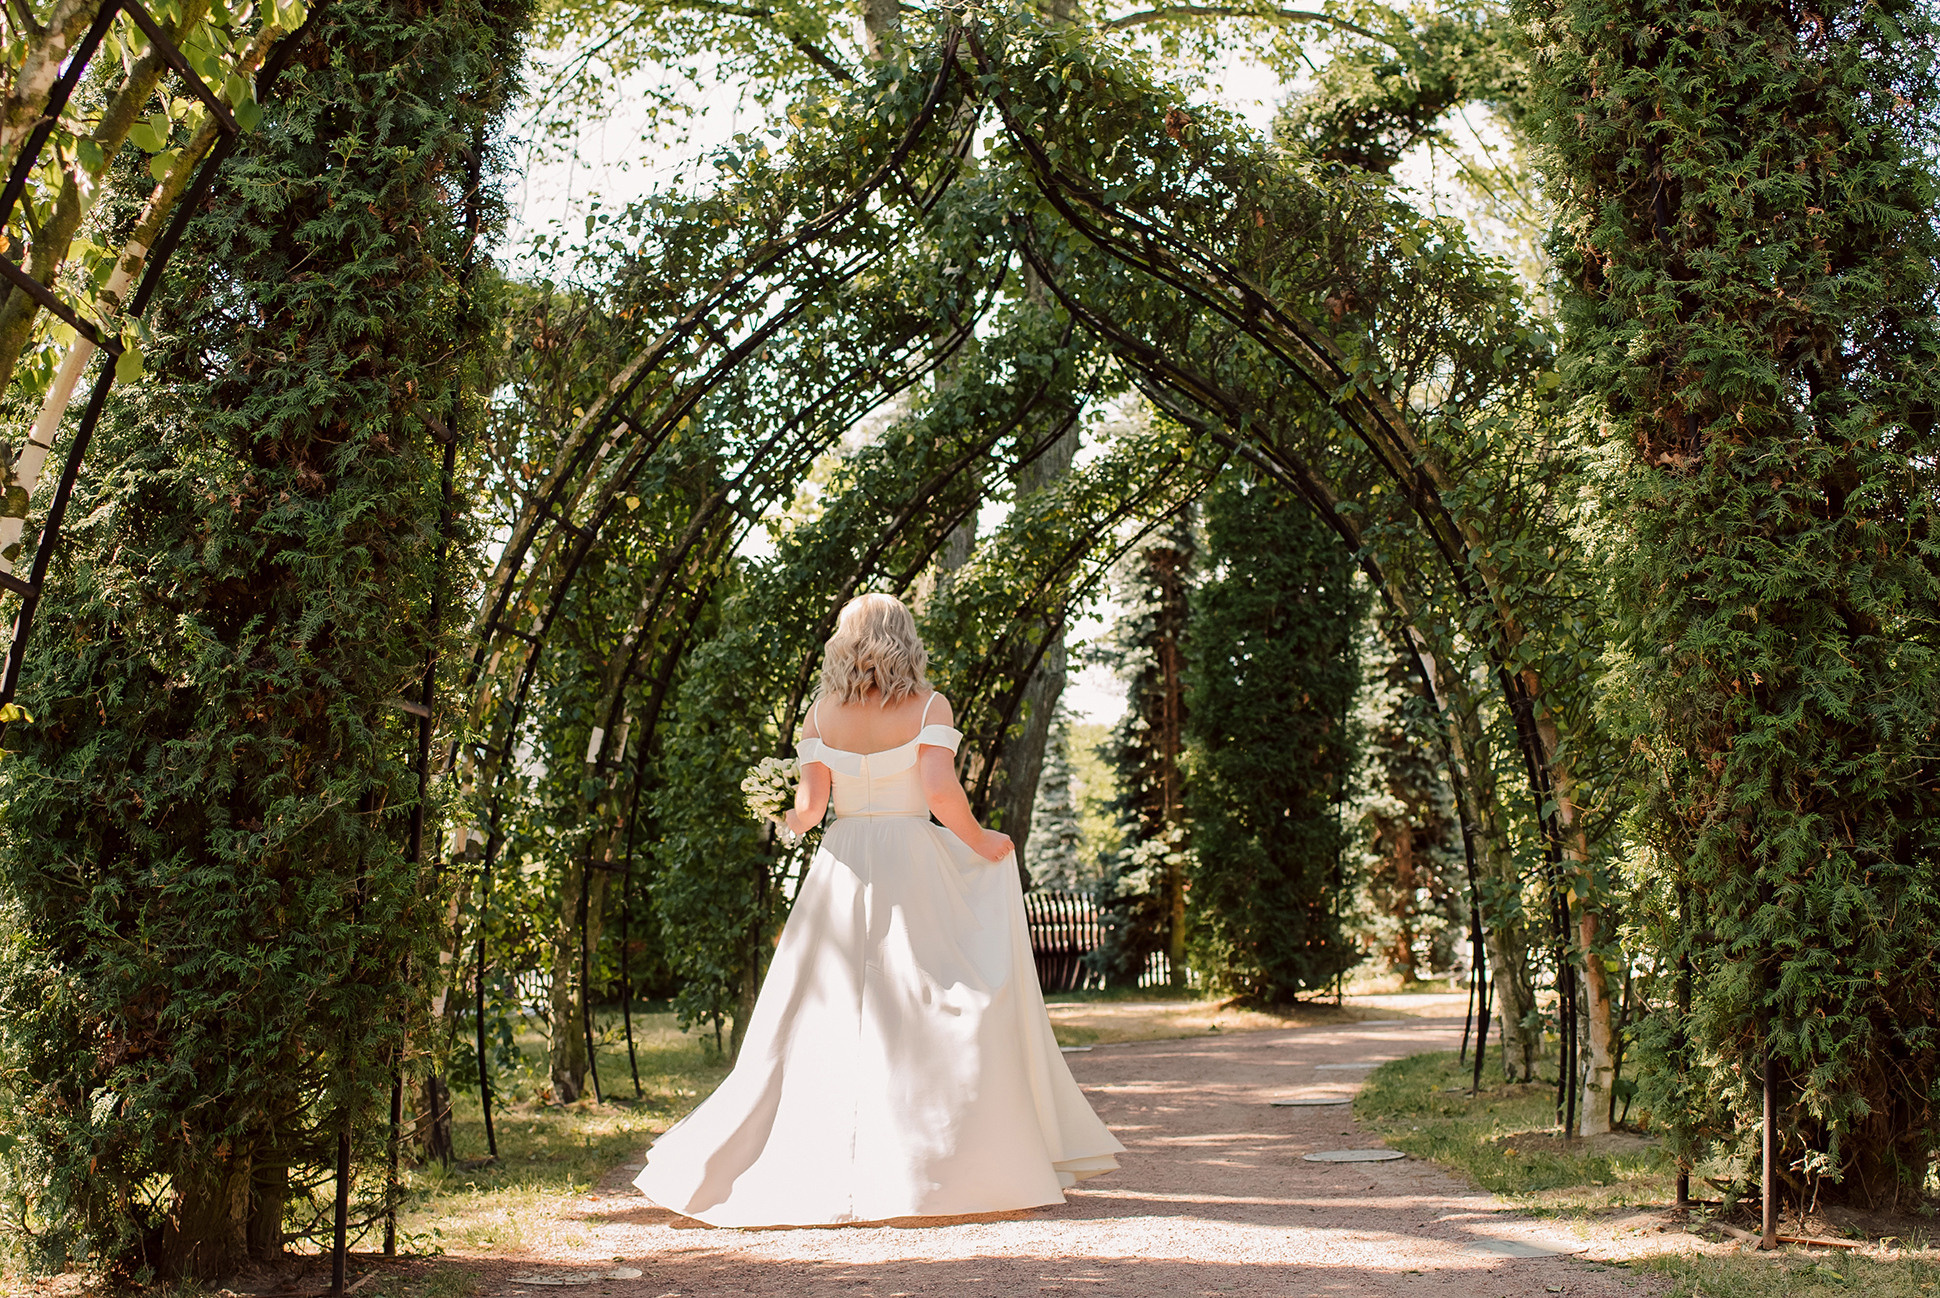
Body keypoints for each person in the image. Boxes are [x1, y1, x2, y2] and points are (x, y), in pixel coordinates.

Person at [633, 592, 1123, 1226]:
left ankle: (820, 1158)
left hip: (842, 863)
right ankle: (940, 1167)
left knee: (824, 1009)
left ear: (846, 641)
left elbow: (809, 812)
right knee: (933, 998)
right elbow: (940, 790)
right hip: (912, 859)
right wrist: (983, 842)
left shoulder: (820, 713)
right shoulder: (928, 706)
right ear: (905, 639)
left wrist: (779, 816)